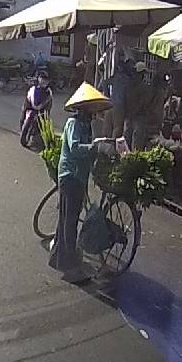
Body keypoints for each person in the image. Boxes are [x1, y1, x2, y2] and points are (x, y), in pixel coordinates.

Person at [50, 83, 115, 284]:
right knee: (69, 224)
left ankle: (58, 258)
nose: (94, 114)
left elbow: (87, 154)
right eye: (91, 110)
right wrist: (95, 146)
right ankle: (71, 269)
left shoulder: (86, 126)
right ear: (83, 109)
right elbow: (76, 148)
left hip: (78, 178)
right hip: (70, 177)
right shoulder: (74, 124)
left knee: (66, 220)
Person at [19, 70, 53, 148]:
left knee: (44, 119)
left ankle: (40, 134)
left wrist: (45, 110)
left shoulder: (48, 92)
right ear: (38, 78)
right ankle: (22, 125)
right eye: (42, 78)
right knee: (24, 110)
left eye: (46, 79)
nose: (44, 80)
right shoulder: (33, 88)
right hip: (30, 107)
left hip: (42, 109)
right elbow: (28, 100)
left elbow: (48, 105)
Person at [125, 60, 153, 150]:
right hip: (135, 116)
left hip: (135, 116)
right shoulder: (137, 86)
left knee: (134, 140)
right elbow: (143, 102)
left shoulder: (133, 86)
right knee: (132, 140)